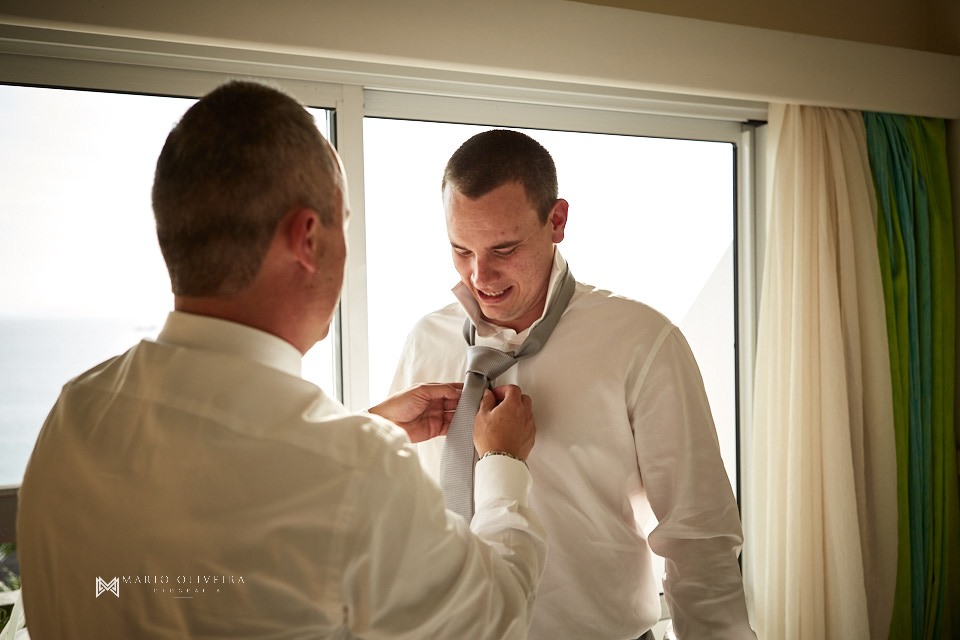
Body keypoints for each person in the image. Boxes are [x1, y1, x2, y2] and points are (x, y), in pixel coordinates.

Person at [17, 82, 546, 639]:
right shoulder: (354, 473)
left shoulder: (76, 412)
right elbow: (498, 613)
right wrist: (503, 463)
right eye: (344, 222)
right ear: (308, 238)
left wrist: (363, 430)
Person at [392, 129, 757, 639]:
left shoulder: (641, 342)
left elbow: (698, 536)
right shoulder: (425, 342)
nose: (480, 275)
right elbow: (397, 511)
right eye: (460, 249)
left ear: (556, 221)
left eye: (504, 248)